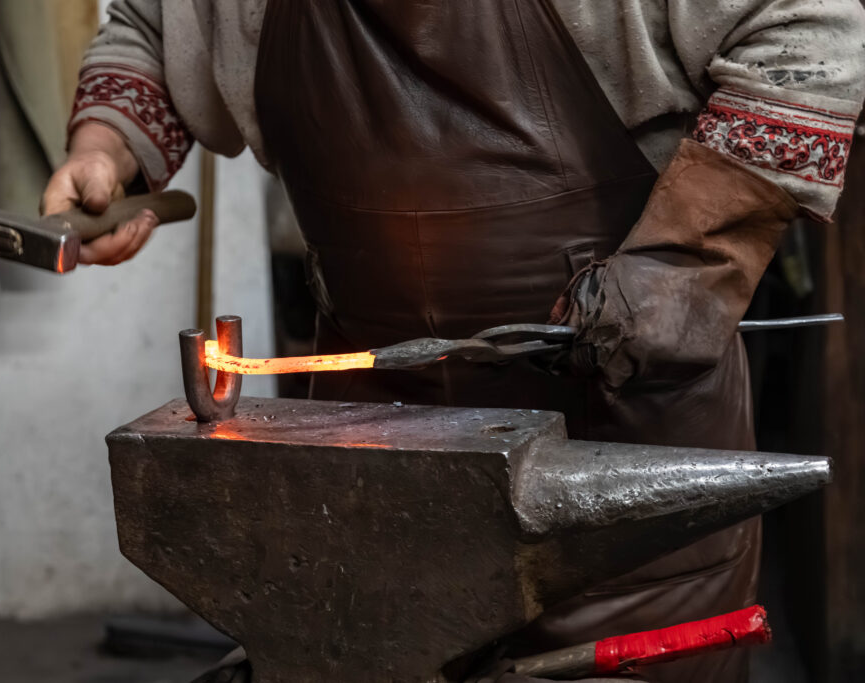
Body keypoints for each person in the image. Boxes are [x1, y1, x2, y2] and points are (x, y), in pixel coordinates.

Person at [42, 2, 865, 681]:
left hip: (624, 443)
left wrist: (682, 266)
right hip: (367, 452)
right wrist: (107, 148)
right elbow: (152, 27)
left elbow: (810, 32)